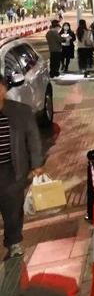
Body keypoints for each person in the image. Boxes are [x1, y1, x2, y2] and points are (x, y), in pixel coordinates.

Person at [0, 78, 43, 260]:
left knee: (12, 207)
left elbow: (33, 138)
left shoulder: (20, 111)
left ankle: (14, 241)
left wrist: (37, 164)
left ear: (4, 89)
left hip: (12, 168)